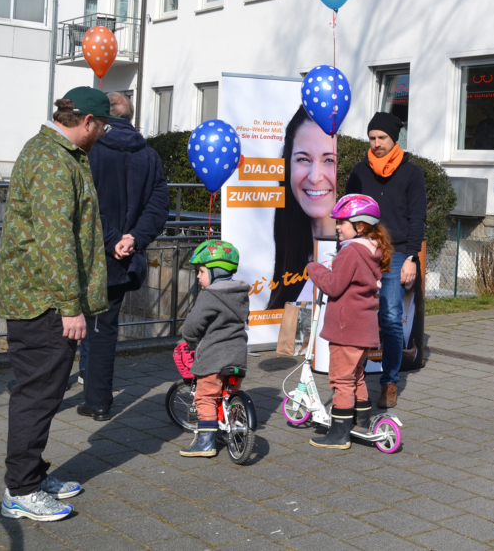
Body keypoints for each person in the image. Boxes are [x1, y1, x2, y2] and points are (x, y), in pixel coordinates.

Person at [0, 87, 111, 521]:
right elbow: (55, 239)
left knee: (42, 391)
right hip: (43, 302)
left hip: (42, 298)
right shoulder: (50, 159)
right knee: (37, 394)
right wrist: (69, 305)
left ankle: (32, 474)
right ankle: (20, 490)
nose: (101, 135)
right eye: (102, 127)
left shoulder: (54, 153)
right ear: (86, 122)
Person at [76, 93, 169, 419]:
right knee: (103, 331)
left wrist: (115, 238)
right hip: (121, 261)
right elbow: (159, 207)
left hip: (86, 256)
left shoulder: (89, 151)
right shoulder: (150, 156)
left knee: (62, 328)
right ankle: (98, 402)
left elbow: (84, 205)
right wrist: (132, 239)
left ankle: (47, 396)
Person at [346, 112, 426, 408]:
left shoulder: (411, 173)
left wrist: (412, 259)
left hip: (396, 254)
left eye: (382, 138)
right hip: (363, 251)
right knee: (357, 315)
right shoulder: (359, 170)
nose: (376, 143)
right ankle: (353, 379)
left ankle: (389, 381)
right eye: (372, 138)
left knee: (391, 318)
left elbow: (417, 217)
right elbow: (348, 211)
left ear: (394, 140)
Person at [306, 195, 392, 448]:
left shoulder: (351, 252)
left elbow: (333, 286)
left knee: (341, 380)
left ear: (360, 226)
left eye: (342, 223)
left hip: (346, 328)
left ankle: (339, 434)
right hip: (364, 326)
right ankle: (361, 421)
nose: (337, 227)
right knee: (357, 376)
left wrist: (314, 269)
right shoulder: (372, 250)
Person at [179, 240, 250, 457]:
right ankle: (226, 428)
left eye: (201, 271)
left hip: (214, 357)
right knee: (228, 394)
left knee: (206, 397)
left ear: (215, 272)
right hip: (237, 356)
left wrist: (189, 338)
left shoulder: (209, 295)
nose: (198, 277)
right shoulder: (240, 292)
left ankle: (205, 442)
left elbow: (193, 323)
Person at [267, 106, 337, 309]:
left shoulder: (353, 254)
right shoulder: (288, 257)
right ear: (288, 165)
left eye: (329, 160)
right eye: (303, 159)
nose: (315, 177)